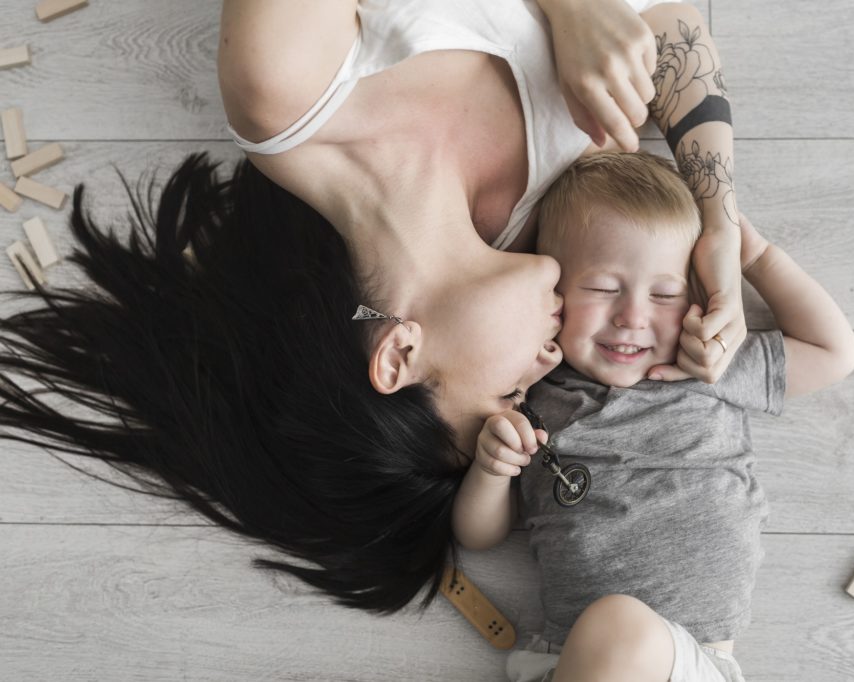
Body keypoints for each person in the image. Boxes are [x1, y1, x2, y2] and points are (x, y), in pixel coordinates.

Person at [0, 1, 747, 616]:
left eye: (507, 392)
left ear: (400, 354)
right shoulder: (548, 201)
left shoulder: (287, 93)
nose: (548, 364)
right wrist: (716, 220)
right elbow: (672, 27)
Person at [451, 151, 854, 682]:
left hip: (695, 660)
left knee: (621, 627)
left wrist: (752, 255)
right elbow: (477, 536)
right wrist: (490, 469)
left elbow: (835, 353)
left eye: (664, 294)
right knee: (617, 627)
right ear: (553, 296)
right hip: (568, 657)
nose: (632, 317)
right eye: (602, 288)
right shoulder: (533, 390)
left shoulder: (707, 362)